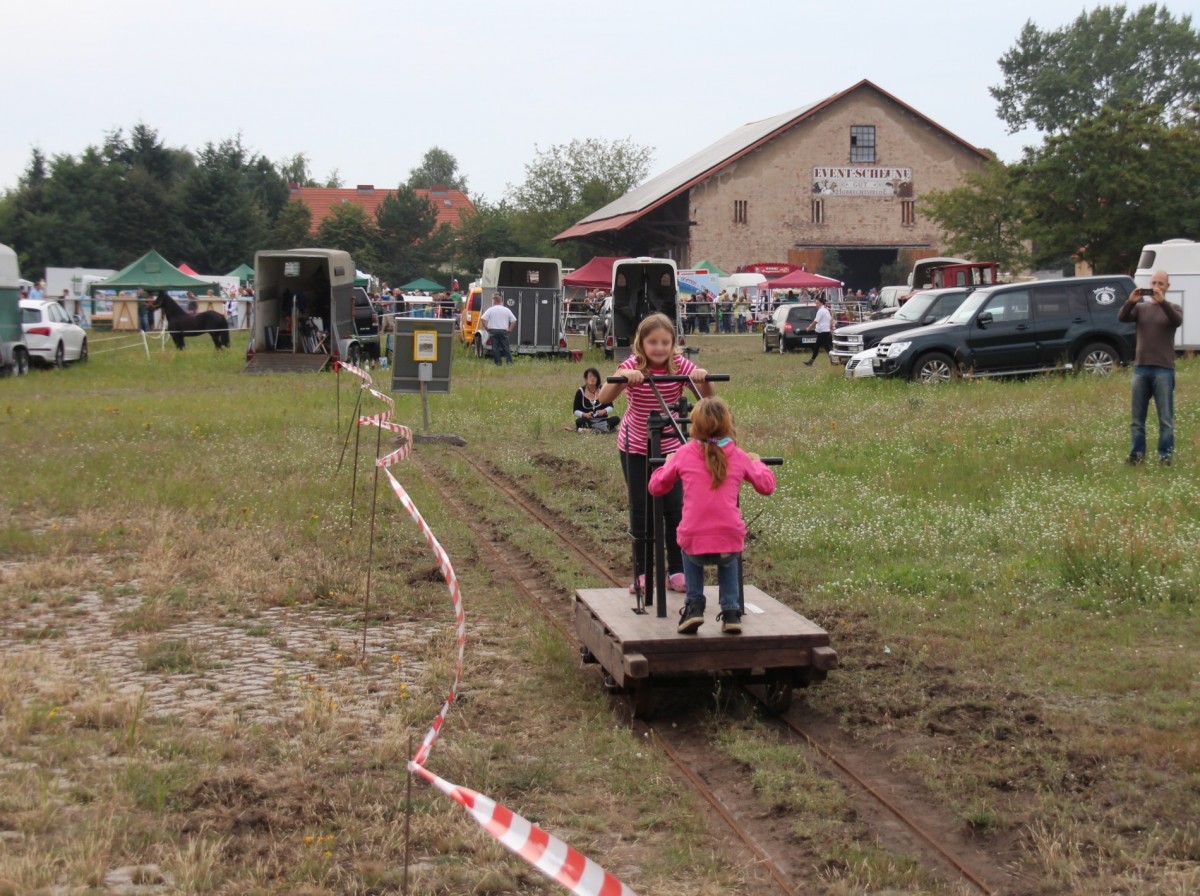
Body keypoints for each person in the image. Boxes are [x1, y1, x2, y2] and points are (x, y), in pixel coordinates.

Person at [597, 313, 714, 594]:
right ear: (642, 343)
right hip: (635, 445)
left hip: (672, 447)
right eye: (653, 342)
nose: (659, 348)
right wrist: (624, 377)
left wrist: (702, 378)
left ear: (673, 343)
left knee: (675, 509)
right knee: (642, 509)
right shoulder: (632, 365)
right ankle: (642, 573)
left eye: (665, 342)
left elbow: (709, 398)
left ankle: (676, 570)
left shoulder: (679, 365)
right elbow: (603, 398)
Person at [649, 397, 776, 634]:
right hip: (728, 542)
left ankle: (694, 605)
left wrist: (667, 464)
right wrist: (757, 463)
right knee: (728, 550)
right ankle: (731, 611)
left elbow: (656, 487)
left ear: (695, 426)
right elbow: (766, 486)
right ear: (728, 425)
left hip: (694, 541)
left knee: (690, 535)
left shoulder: (684, 454)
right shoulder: (738, 456)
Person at [1118, 270, 1182, 465]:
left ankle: (1165, 457)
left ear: (1167, 287)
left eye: (1160, 283)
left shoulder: (1173, 308)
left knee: (1165, 419)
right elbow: (1122, 317)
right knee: (1137, 419)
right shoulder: (1141, 309)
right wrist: (1131, 301)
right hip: (1141, 369)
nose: (1156, 286)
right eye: (1153, 282)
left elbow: (1177, 321)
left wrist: (1162, 302)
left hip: (1163, 370)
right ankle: (1137, 456)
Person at [573, 367, 620, 432]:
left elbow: (610, 407)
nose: (592, 378)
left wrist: (604, 411)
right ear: (586, 379)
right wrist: (585, 414)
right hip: (588, 421)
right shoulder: (580, 392)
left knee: (616, 419)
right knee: (579, 421)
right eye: (590, 376)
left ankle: (590, 430)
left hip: (602, 419)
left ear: (597, 379)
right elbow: (575, 411)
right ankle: (605, 428)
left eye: (595, 376)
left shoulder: (602, 389)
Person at [479, 292, 517, 365]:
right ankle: (509, 362)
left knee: (495, 348)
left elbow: (483, 319)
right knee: (506, 347)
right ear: (500, 301)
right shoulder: (506, 309)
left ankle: (498, 362)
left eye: (493, 300)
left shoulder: (491, 309)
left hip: (493, 331)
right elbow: (514, 320)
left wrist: (486, 327)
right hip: (504, 331)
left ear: (495, 301)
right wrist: (510, 329)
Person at [803, 294, 835, 365]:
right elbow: (830, 320)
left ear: (821, 303)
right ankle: (811, 361)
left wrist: (809, 328)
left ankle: (834, 360)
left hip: (822, 332)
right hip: (825, 331)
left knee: (826, 348)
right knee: (818, 347)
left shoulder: (820, 311)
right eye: (816, 303)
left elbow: (815, 321)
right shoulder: (826, 310)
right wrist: (831, 329)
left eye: (817, 303)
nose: (816, 305)